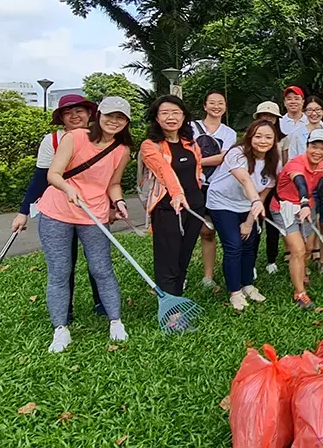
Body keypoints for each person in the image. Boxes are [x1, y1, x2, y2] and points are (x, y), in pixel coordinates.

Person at [35, 96, 133, 353]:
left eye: (121, 118)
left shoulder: (121, 150)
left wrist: (119, 201)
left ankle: (115, 321)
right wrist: (68, 188)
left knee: (102, 268)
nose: (114, 121)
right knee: (60, 271)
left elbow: (113, 184)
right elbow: (53, 174)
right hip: (57, 211)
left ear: (127, 122)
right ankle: (60, 329)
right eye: (110, 115)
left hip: (94, 215)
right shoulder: (75, 137)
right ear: (98, 115)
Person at [13, 94, 103, 322]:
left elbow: (108, 178)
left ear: (89, 113)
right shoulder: (52, 140)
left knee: (98, 260)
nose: (75, 116)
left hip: (93, 208)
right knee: (64, 261)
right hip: (58, 210)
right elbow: (40, 178)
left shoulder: (102, 138)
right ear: (61, 117)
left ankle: (102, 302)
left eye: (79, 111)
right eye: (68, 112)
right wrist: (23, 212)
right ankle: (66, 308)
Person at [208, 120, 279, 312]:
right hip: (222, 202)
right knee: (233, 245)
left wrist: (249, 221)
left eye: (268, 137)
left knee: (249, 244)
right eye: (258, 136)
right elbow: (245, 179)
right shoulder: (236, 153)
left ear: (274, 140)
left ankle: (248, 285)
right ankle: (235, 292)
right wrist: (255, 201)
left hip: (248, 206)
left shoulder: (274, 162)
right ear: (249, 136)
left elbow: (264, 194)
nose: (262, 141)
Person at [140, 95, 205, 298]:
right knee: (167, 256)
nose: (171, 117)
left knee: (184, 255)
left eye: (176, 112)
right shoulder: (150, 145)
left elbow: (198, 171)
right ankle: (170, 307)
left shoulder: (191, 144)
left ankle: (177, 296)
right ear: (157, 118)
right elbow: (163, 170)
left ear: (184, 116)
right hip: (168, 208)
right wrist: (176, 194)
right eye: (165, 113)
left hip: (194, 207)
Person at [271, 129, 323, 310]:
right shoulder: (296, 164)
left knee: (308, 247)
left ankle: (301, 273)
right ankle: (299, 293)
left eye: (322, 148)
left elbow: (322, 192)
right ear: (307, 146)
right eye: (314, 146)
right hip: (285, 207)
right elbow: (299, 182)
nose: (317, 152)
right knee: (297, 250)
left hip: (308, 206)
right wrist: (304, 202)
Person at [289, 96, 323, 273]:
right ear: (305, 112)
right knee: (306, 223)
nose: (314, 113)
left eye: (318, 109)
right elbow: (293, 160)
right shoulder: (297, 134)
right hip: (305, 185)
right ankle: (305, 260)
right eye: (310, 110)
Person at [192, 91, 238, 291]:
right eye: (212, 103)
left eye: (221, 103)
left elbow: (223, 158)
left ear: (226, 107)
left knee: (208, 232)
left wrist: (194, 163)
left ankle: (208, 277)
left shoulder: (229, 133)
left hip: (214, 186)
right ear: (205, 106)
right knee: (184, 233)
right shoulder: (190, 127)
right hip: (191, 186)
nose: (216, 106)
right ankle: (178, 275)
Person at [253, 101, 288, 275]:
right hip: (254, 187)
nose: (268, 119)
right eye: (264, 116)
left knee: (273, 223)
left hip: (276, 188)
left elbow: (285, 163)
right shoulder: (252, 138)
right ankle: (250, 261)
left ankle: (271, 259)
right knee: (255, 223)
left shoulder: (283, 139)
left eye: (271, 116)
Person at [279, 86, 308, 156]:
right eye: (289, 99)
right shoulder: (279, 122)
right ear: (285, 103)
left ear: (303, 102)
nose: (293, 101)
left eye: (296, 98)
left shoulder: (311, 122)